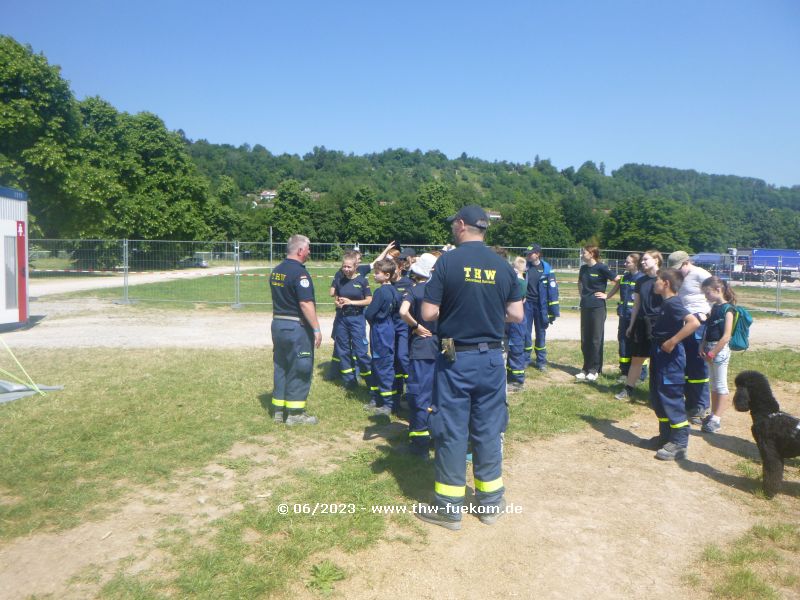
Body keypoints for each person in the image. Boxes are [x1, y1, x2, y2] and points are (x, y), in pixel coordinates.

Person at [415, 205, 524, 530]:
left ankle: (450, 509)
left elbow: (430, 312)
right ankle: (490, 503)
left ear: (461, 225)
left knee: (452, 430)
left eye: (454, 225)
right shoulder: (502, 265)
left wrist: (458, 313)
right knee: (488, 428)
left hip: (457, 359)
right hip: (491, 359)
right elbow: (517, 315)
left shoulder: (448, 261)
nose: (452, 229)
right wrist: (488, 316)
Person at [269, 234, 322, 426]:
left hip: (278, 324)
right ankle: (295, 414)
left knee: (281, 366)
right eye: (308, 248)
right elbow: (306, 303)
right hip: (296, 327)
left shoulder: (277, 270)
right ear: (300, 250)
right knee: (300, 367)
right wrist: (316, 329)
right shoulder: (299, 273)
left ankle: (278, 411)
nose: (309, 252)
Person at [648, 268, 700, 460]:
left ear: (666, 284)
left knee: (670, 395)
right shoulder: (666, 303)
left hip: (670, 357)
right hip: (659, 354)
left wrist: (673, 341)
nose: (655, 283)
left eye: (658, 280)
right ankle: (665, 436)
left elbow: (693, 322)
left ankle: (679, 442)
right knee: (658, 395)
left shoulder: (673, 303)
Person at [398, 252, 439, 456]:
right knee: (437, 394)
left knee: (419, 395)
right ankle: (437, 435)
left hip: (421, 347)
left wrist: (416, 326)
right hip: (440, 346)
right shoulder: (440, 291)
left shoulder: (414, 290)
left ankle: (419, 444)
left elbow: (403, 312)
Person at [667, 251, 712, 424]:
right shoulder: (680, 277)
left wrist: (707, 314)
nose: (679, 272)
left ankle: (701, 405)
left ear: (687, 263)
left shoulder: (700, 274)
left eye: (680, 268)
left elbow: (718, 292)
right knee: (685, 365)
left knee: (698, 365)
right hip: (684, 324)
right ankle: (690, 402)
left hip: (699, 324)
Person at [616, 250, 662, 400]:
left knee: (658, 360)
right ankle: (628, 389)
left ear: (656, 260)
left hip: (659, 324)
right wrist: (632, 325)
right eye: (642, 260)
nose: (642, 262)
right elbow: (636, 304)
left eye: (646, 259)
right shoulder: (641, 281)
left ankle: (656, 392)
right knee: (637, 358)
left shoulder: (664, 278)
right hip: (642, 323)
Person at [698, 276, 737, 434]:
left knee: (721, 385)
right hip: (709, 348)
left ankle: (717, 419)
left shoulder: (729, 309)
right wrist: (702, 345)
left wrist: (713, 352)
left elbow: (726, 336)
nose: (706, 296)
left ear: (718, 290)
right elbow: (707, 329)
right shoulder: (714, 308)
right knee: (713, 384)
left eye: (707, 293)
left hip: (719, 350)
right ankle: (713, 414)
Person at [364, 258, 402, 416]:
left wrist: (375, 321)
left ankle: (387, 403)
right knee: (380, 362)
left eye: (377, 273)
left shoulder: (380, 292)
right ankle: (376, 396)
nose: (374, 275)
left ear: (387, 275)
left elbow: (369, 313)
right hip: (389, 327)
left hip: (380, 329)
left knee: (382, 363)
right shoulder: (395, 291)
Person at [576, 245, 619, 381]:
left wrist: (608, 296)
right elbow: (580, 282)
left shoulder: (602, 267)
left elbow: (618, 281)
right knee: (585, 339)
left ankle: (594, 370)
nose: (582, 254)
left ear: (592, 254)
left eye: (584, 252)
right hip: (585, 306)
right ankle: (585, 367)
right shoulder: (583, 268)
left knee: (595, 339)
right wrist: (582, 295)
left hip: (598, 307)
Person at [330, 254, 372, 389]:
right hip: (342, 318)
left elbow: (369, 300)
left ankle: (371, 382)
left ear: (356, 267)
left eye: (349, 267)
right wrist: (338, 303)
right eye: (344, 266)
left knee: (360, 351)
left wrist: (351, 302)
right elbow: (336, 297)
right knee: (343, 351)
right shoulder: (339, 280)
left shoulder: (362, 281)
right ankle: (349, 381)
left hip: (357, 318)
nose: (346, 269)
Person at [523, 244, 560, 371]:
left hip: (541, 306)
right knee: (525, 333)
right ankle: (525, 359)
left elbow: (553, 291)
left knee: (541, 333)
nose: (528, 255)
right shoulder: (524, 268)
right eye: (527, 253)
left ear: (537, 254)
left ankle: (541, 361)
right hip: (526, 305)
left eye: (530, 253)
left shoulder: (547, 269)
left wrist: (553, 311)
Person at [607, 253, 644, 379]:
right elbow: (616, 287)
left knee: (638, 344)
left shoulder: (642, 279)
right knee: (623, 342)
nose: (625, 264)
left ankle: (640, 374)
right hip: (624, 316)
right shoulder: (624, 278)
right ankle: (624, 371)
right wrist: (606, 296)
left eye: (628, 262)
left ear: (636, 264)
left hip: (637, 317)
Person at [506, 256, 529, 392]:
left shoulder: (519, 283)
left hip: (516, 321)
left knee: (515, 349)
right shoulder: (520, 281)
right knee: (512, 348)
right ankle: (512, 376)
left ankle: (518, 381)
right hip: (516, 320)